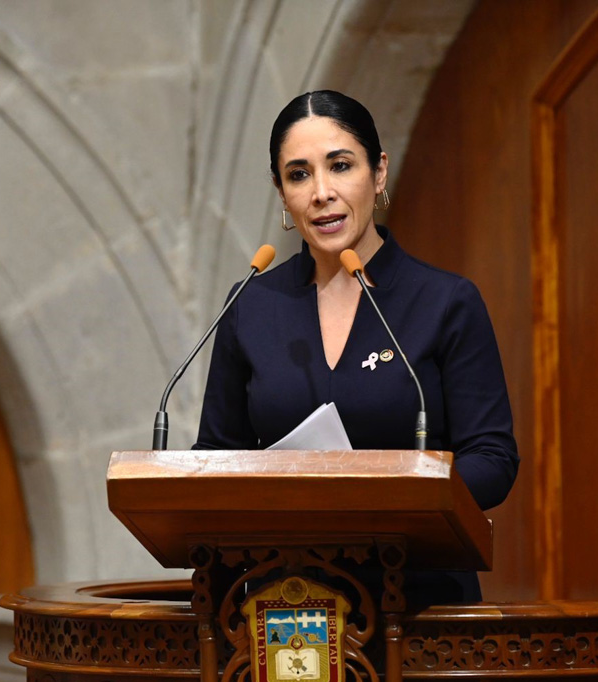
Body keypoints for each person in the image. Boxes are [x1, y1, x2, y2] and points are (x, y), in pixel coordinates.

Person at [193, 90, 518, 605]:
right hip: (283, 604)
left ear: (378, 172)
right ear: (282, 193)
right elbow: (215, 457)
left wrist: (386, 501)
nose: (322, 192)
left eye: (340, 166)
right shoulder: (251, 305)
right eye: (299, 175)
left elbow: (493, 459)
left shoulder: (444, 301)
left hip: (418, 603)